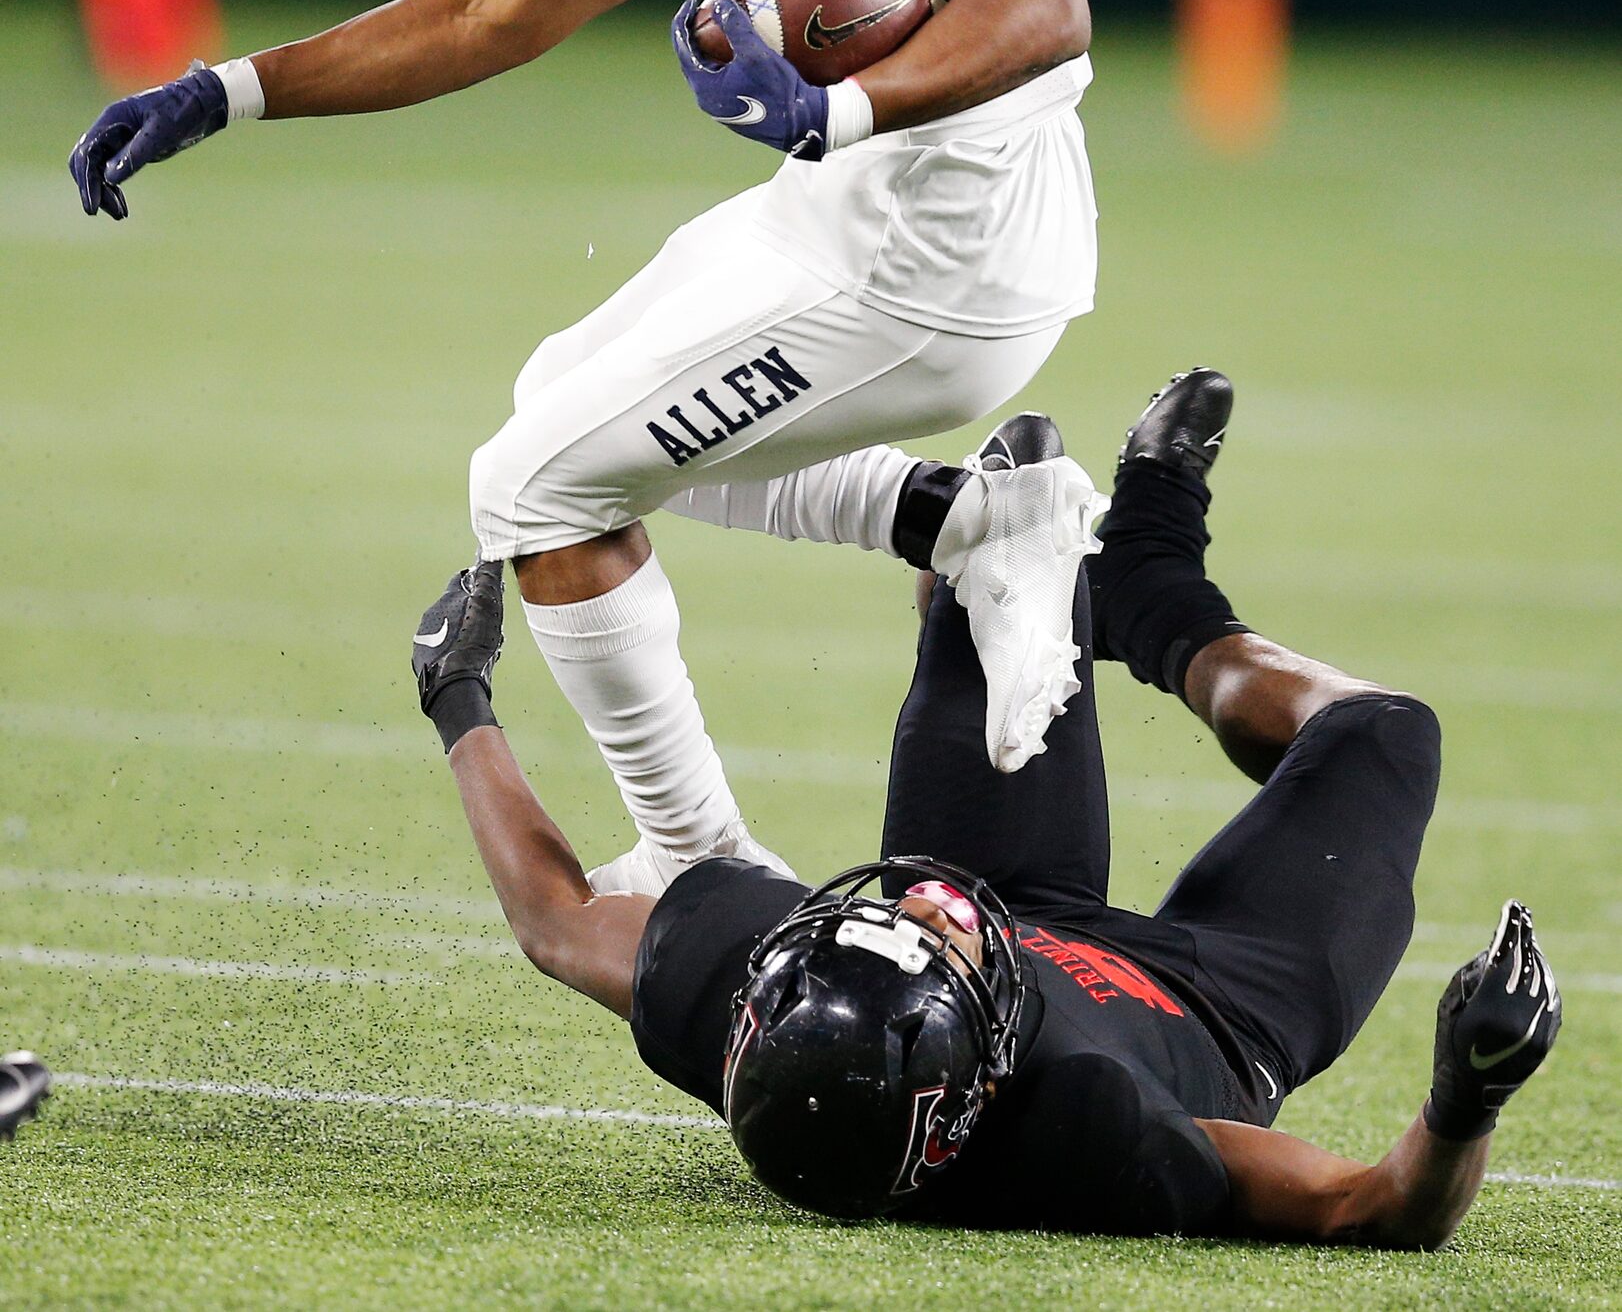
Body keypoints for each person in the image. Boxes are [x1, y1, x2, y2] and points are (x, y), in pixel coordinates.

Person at [69, 0, 1102, 894]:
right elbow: (498, 13)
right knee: (559, 400)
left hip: (945, 250)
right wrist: (233, 89)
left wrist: (833, 98)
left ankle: (701, 865)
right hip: (870, 206)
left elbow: (1041, 0)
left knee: (534, 489)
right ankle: (979, 521)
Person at [411, 370, 1561, 1243]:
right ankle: (1155, 580)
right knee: (1381, 737)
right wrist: (1466, 1095)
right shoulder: (1089, 1126)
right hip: (1225, 1006)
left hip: (1024, 907)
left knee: (994, 566)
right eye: (937, 943)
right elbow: (1366, 1210)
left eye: (904, 923)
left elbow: (554, 922)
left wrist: (456, 695)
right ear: (979, 1075)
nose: (926, 905)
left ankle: (1062, 590)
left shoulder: (786, 1020)